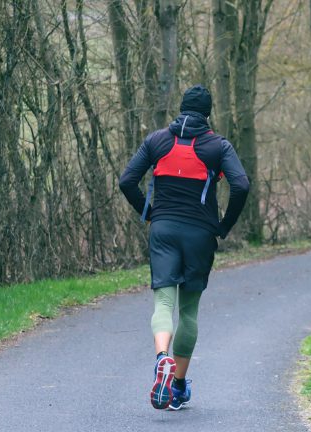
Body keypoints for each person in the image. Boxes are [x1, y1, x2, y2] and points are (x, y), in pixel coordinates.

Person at [118, 85, 250, 411]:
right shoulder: (218, 146)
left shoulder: (157, 140)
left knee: (163, 301)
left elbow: (126, 181)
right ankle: (177, 386)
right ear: (208, 114)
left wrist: (148, 213)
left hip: (162, 229)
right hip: (200, 235)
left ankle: (161, 357)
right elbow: (241, 184)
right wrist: (224, 226)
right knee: (188, 311)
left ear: (181, 109)